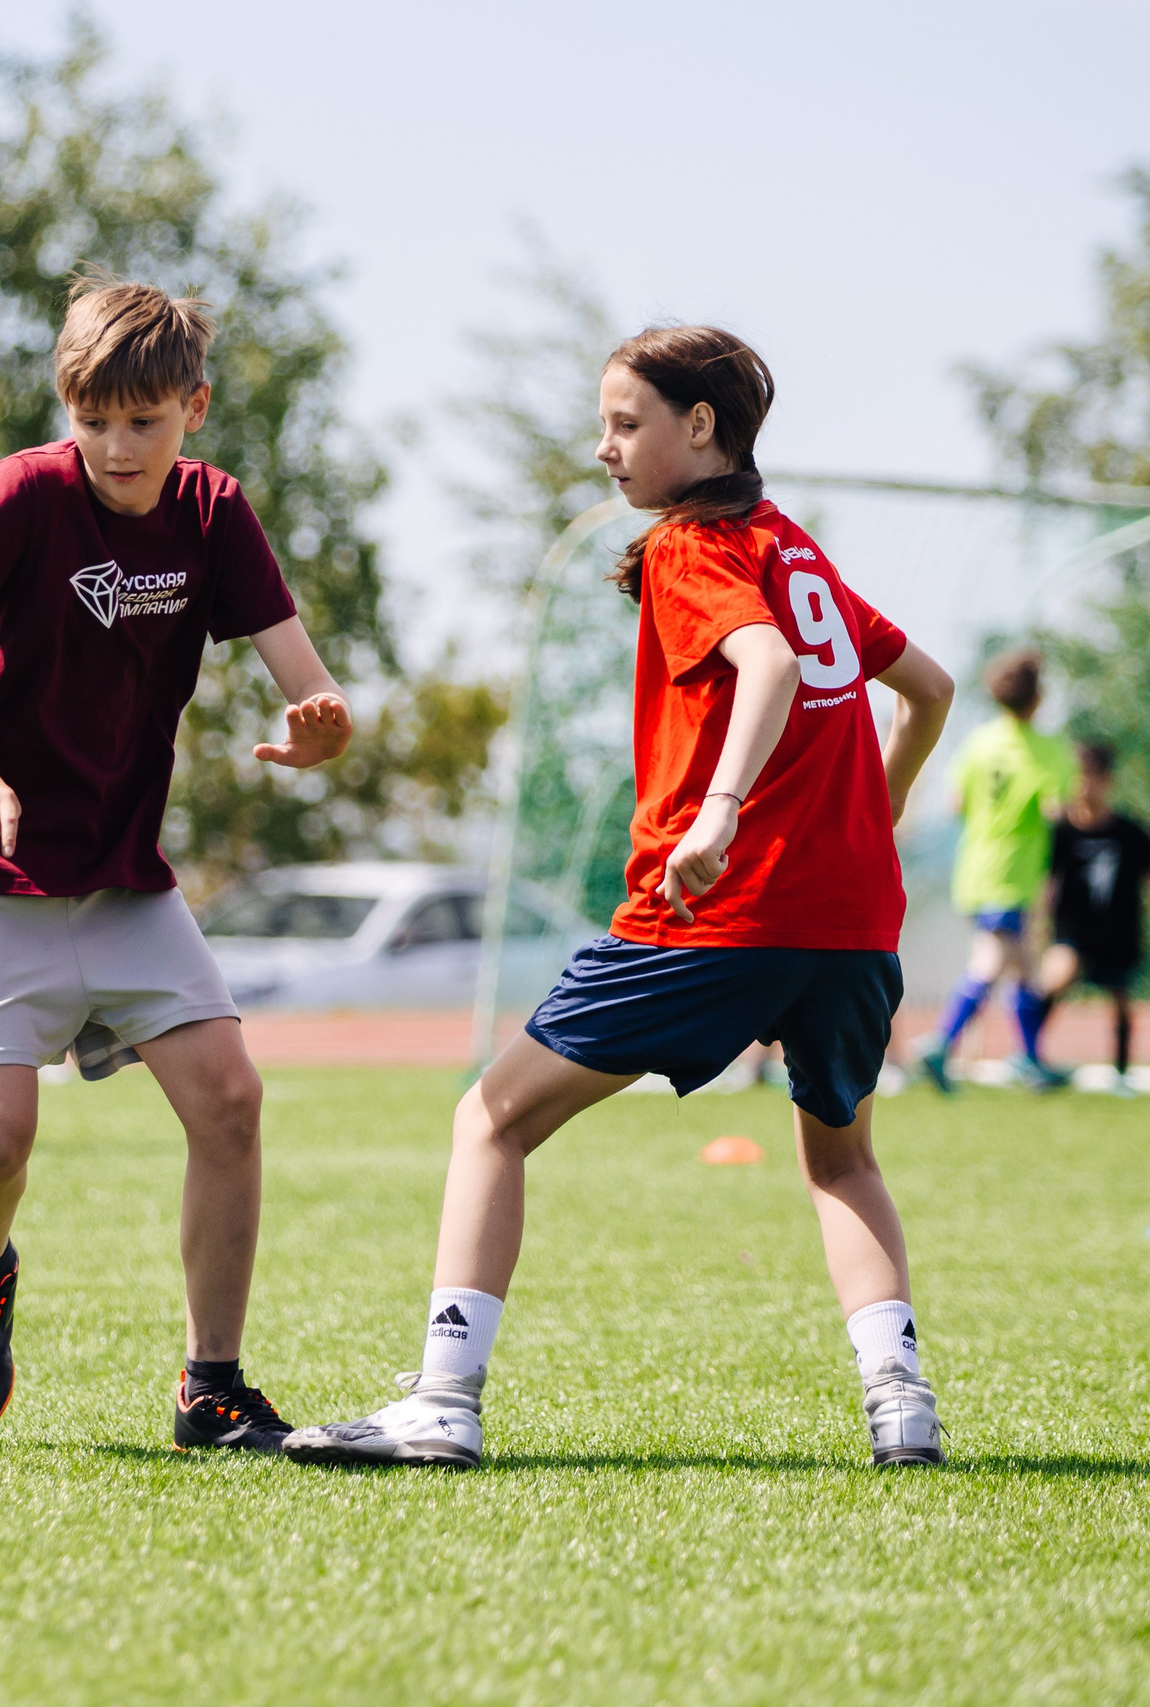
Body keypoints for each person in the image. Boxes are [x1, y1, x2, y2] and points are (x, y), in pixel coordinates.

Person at [284, 325, 958, 1472]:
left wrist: (721, 809)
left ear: (701, 428)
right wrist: (867, 829)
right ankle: (902, 1408)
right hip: (849, 930)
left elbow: (771, 669)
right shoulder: (795, 551)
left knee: (491, 1117)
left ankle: (442, 1402)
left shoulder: (693, 547)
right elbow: (928, 691)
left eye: (624, 422)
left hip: (717, 915)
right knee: (841, 1160)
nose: (603, 447)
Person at [0, 278, 355, 1453]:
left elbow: (307, 679)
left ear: (193, 406)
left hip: (123, 873)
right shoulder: (22, 496)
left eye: (143, 421)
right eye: (94, 419)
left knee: (231, 1102)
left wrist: (321, 723)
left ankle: (213, 1386)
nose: (116, 446)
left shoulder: (212, 511)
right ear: (66, 405)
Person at [917, 648, 1074, 1092]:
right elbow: (1056, 811)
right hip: (1013, 873)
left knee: (1023, 968)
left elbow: (955, 804)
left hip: (974, 867)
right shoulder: (1049, 751)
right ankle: (940, 1043)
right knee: (992, 962)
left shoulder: (978, 743)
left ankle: (1028, 1058)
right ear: (1039, 697)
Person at [1038, 741, 1150, 1090]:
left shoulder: (1130, 832)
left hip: (1118, 930)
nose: (1084, 785)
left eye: (1091, 776)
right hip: (1073, 929)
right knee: (1055, 980)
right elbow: (1045, 881)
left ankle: (1120, 1073)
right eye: (1078, 777)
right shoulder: (1059, 832)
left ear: (1107, 780)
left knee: (1119, 1000)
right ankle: (1029, 1055)